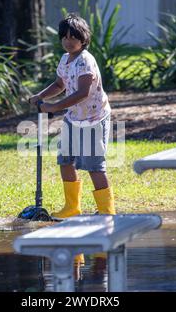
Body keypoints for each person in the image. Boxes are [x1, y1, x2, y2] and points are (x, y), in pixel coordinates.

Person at [29, 13, 115, 219]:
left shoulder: (85, 60)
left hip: (94, 118)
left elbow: (83, 92)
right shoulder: (65, 60)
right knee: (65, 160)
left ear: (83, 39)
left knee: (94, 166)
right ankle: (72, 207)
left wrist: (55, 106)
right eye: (65, 37)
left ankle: (107, 211)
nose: (68, 42)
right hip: (74, 118)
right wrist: (41, 96)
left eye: (73, 37)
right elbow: (60, 84)